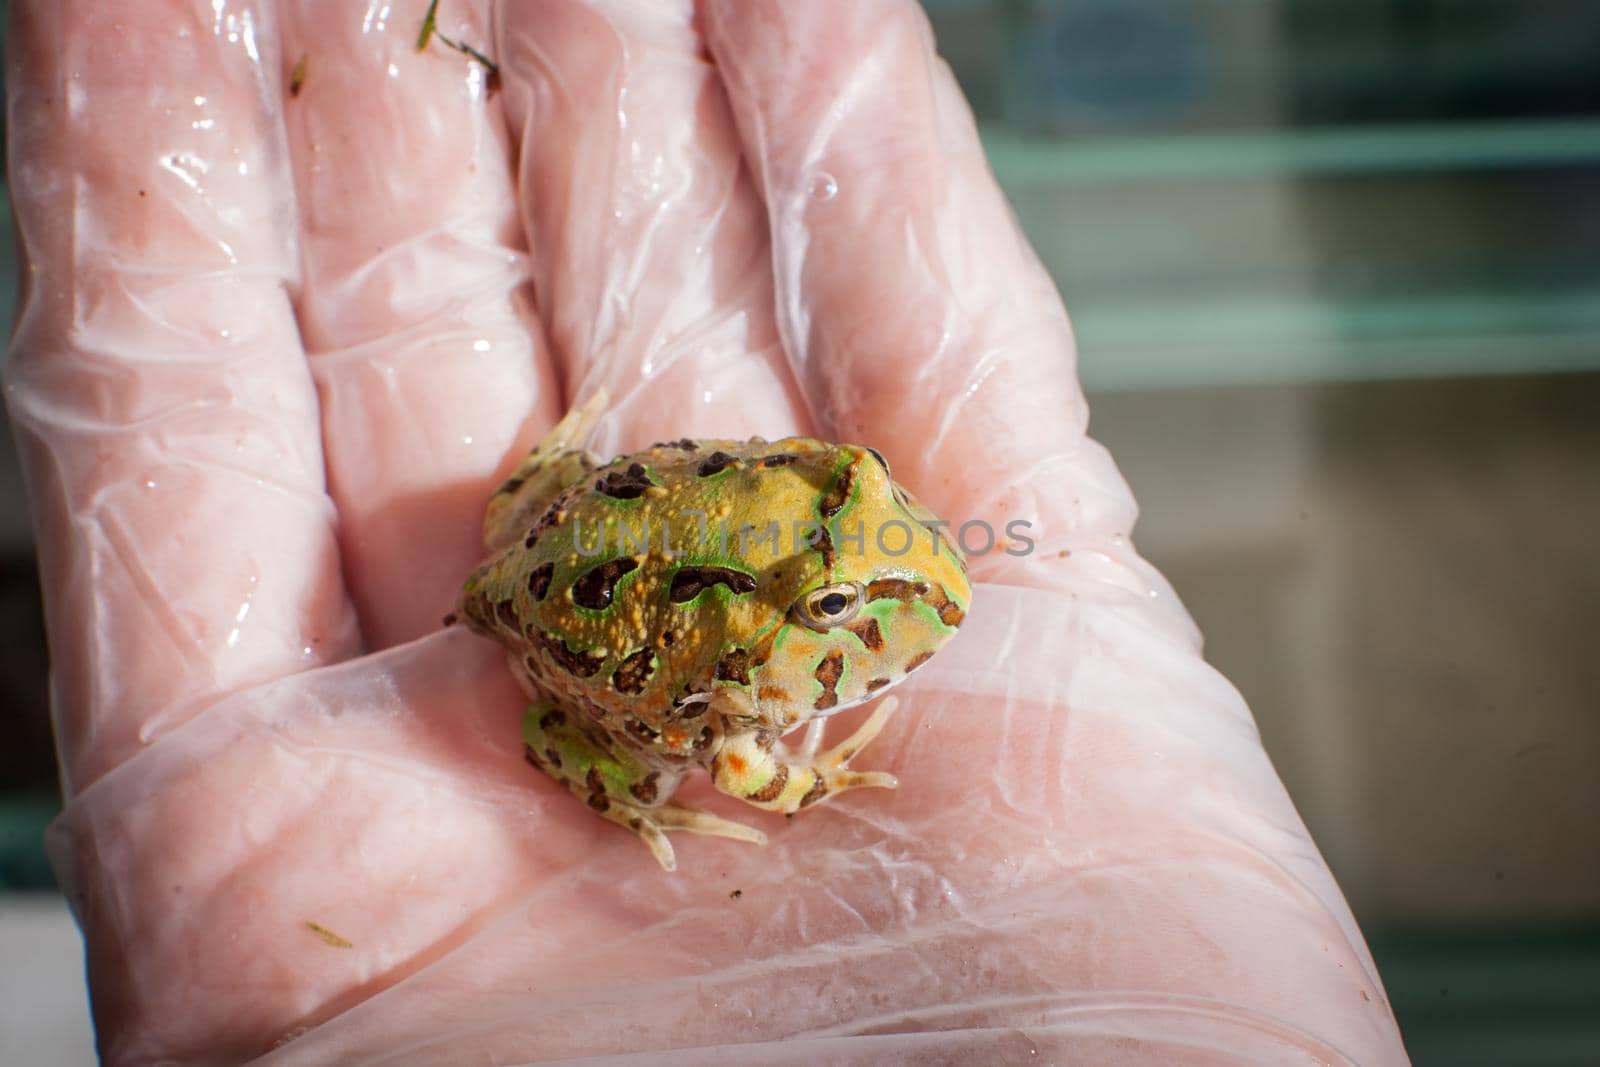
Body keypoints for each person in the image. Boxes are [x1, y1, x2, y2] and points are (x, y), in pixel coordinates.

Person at [3, 1, 1408, 1062]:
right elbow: (743, 755)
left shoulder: (831, 508)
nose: (923, 560)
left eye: (875, 514)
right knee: (625, 754)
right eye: (857, 609)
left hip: (563, 519)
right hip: (562, 611)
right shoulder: (740, 700)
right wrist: (775, 786)